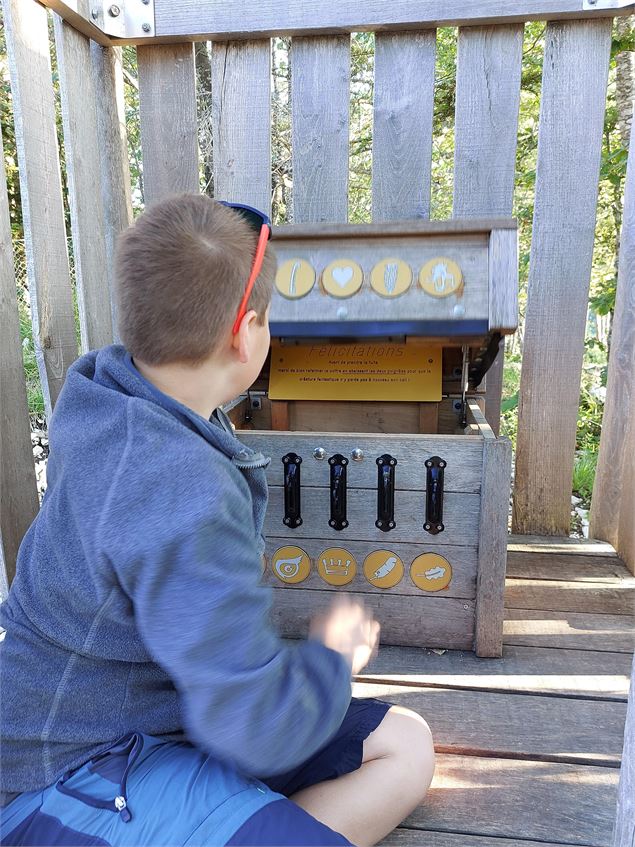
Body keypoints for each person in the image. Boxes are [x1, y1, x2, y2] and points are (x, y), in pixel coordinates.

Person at [0, 194, 435, 847]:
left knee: (407, 742)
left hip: (173, 713)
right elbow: (249, 721)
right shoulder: (178, 490)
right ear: (246, 331)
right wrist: (331, 658)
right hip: (61, 771)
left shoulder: (112, 389)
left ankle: (220, 814)